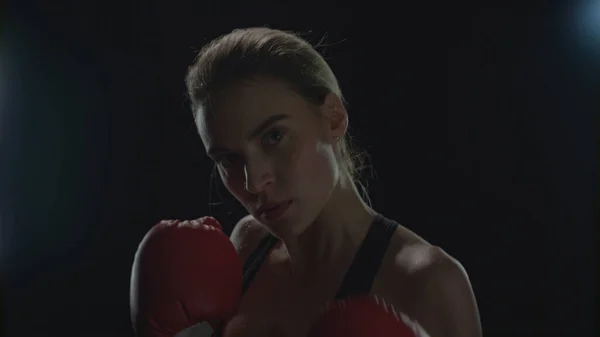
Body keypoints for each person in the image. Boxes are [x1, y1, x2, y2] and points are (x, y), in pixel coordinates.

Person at [184, 27, 482, 337]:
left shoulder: (425, 283)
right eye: (228, 159)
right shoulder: (247, 245)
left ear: (333, 118)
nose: (255, 182)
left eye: (274, 137)